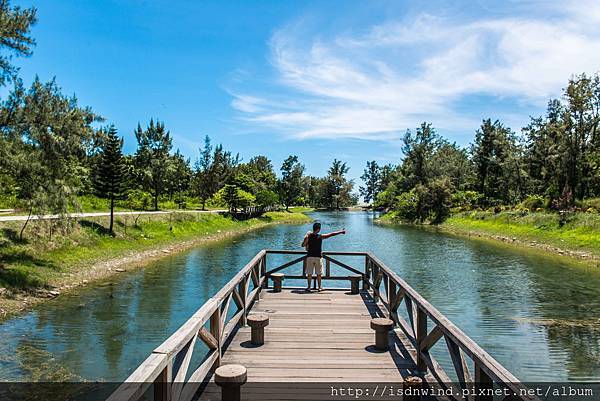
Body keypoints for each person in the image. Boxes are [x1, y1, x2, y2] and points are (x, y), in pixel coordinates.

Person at [301, 222, 346, 292]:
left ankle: (309, 287)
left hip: (310, 257)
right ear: (318, 229)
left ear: (313, 228)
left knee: (309, 273)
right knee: (319, 274)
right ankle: (319, 287)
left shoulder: (308, 236)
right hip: (318, 257)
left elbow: (302, 245)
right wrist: (341, 232)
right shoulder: (320, 236)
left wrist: (306, 236)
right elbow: (331, 234)